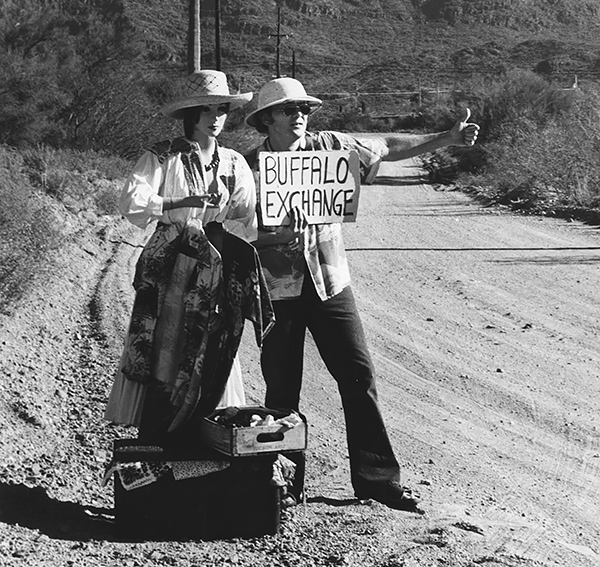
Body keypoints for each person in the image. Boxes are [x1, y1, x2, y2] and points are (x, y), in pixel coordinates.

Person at [244, 77, 480, 512]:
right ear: (266, 119)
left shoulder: (330, 148)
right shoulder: (247, 167)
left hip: (330, 281)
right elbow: (235, 233)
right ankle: (281, 484)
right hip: (277, 290)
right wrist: (274, 240)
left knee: (358, 375)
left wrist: (445, 137)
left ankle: (378, 483)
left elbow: (387, 146)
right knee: (281, 387)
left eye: (304, 110)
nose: (300, 116)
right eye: (288, 110)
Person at [105, 70, 274, 443]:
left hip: (213, 260)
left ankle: (203, 426)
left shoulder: (233, 162)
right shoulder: (162, 154)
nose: (215, 118)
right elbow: (131, 202)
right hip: (171, 262)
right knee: (165, 343)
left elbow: (247, 213)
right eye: (206, 110)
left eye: (221, 110)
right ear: (191, 114)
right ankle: (160, 431)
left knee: (211, 340)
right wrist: (181, 202)